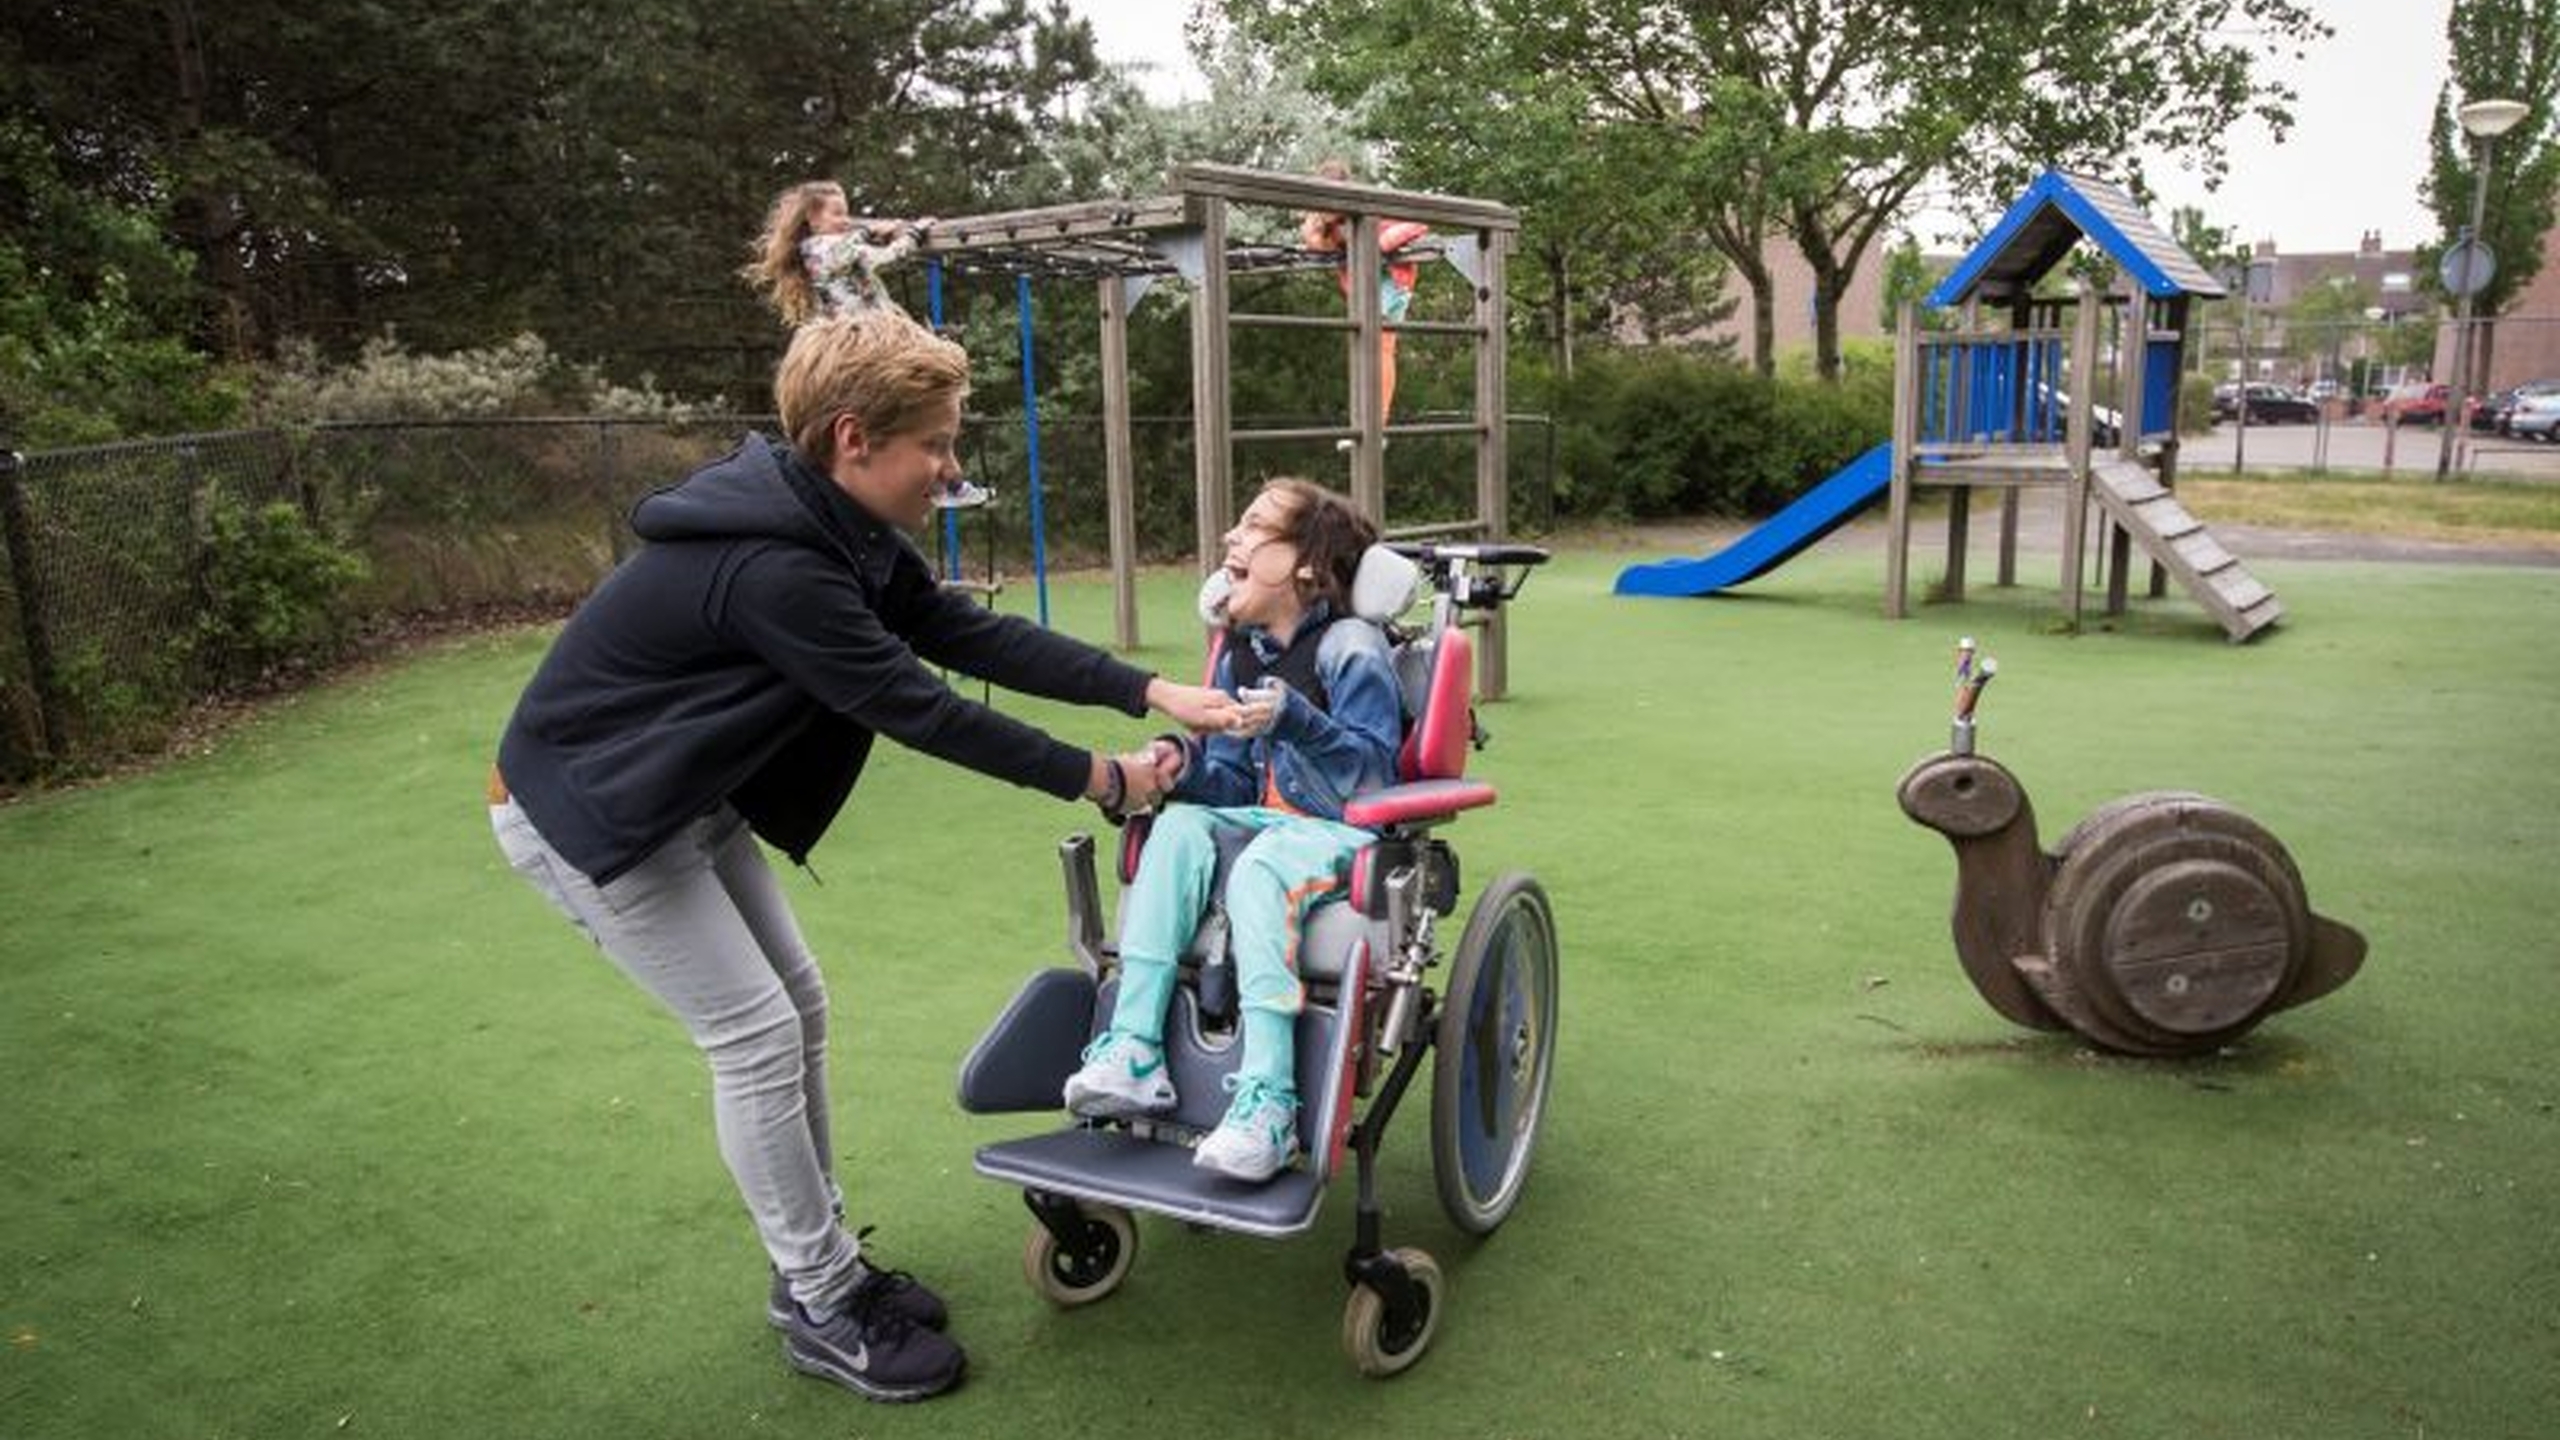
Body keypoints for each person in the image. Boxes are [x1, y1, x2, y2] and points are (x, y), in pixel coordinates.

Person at [487, 311, 1232, 1403]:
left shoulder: (835, 526)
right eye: (933, 442)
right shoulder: (775, 568)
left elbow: (960, 632)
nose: (949, 464)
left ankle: (824, 1270)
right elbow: (917, 708)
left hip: (684, 799)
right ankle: (823, 1300)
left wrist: (1145, 689)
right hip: (593, 814)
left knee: (801, 1007)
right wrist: (1099, 776)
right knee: (751, 1036)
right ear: (852, 438)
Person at [1061, 478, 1404, 1183]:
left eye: (1253, 528)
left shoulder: (1352, 647)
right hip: (1261, 825)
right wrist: (1177, 763)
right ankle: (1134, 1053)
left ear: (1306, 565)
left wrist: (1296, 719)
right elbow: (1232, 785)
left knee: (1266, 861)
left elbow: (1373, 780)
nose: (1230, 540)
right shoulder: (1240, 653)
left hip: (1337, 831)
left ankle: (1270, 1103)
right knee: (1180, 828)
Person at [743, 180, 987, 506]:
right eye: (838, 213)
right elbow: (888, 257)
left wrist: (871, 230)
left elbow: (858, 245)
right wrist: (913, 232)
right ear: (813, 219)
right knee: (932, 395)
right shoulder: (829, 248)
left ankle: (945, 482)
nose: (846, 220)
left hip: (865, 335)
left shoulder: (818, 251)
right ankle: (945, 483)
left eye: (847, 212)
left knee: (922, 404)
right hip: (874, 337)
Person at [1298, 158, 1431, 425]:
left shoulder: (1367, 209)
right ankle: (1367, 420)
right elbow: (1318, 244)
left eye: (1328, 202)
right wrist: (1315, 234)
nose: (1323, 210)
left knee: (1380, 347)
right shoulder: (1324, 224)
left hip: (1391, 282)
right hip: (1365, 286)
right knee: (1365, 348)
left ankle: (1377, 422)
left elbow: (1419, 223)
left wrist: (1379, 243)